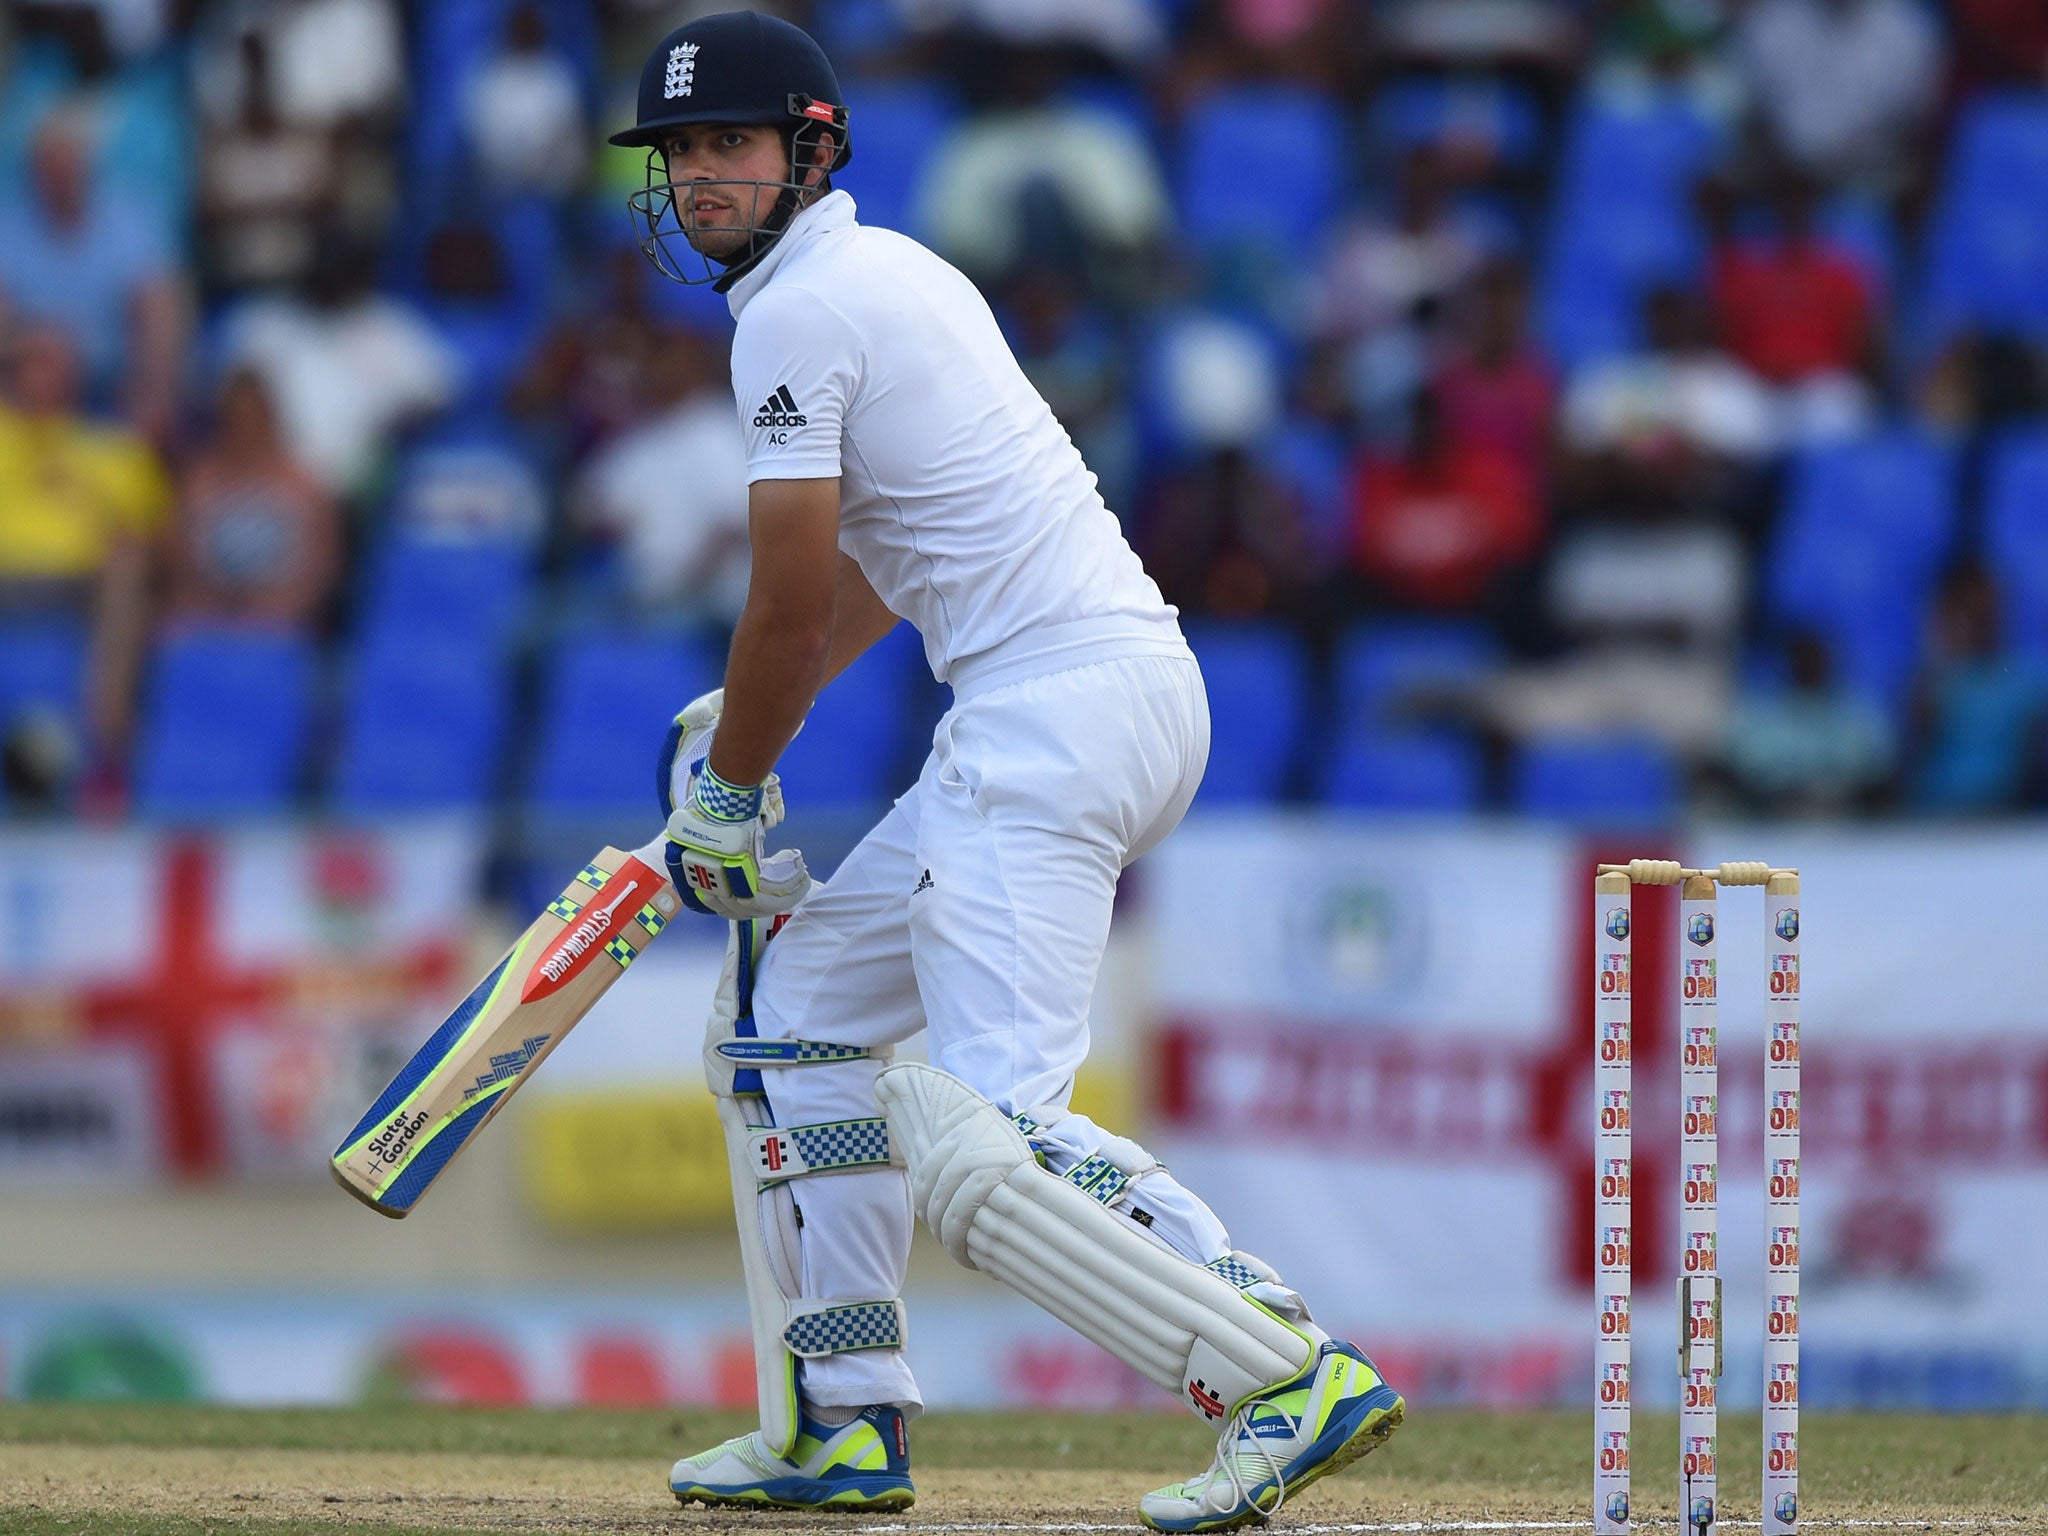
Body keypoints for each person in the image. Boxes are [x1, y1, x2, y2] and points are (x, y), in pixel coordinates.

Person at [611, 10, 1403, 1526]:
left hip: (1052, 710)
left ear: (812, 149)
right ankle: (837, 1417)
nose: (702, 177)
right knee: (796, 1024)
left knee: (995, 1131)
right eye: (681, 153)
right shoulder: (888, 271)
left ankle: (1283, 1371)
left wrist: (724, 793)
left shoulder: (791, 313)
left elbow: (787, 591)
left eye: (729, 144)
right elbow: (892, 573)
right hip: (1099, 692)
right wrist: (746, 713)